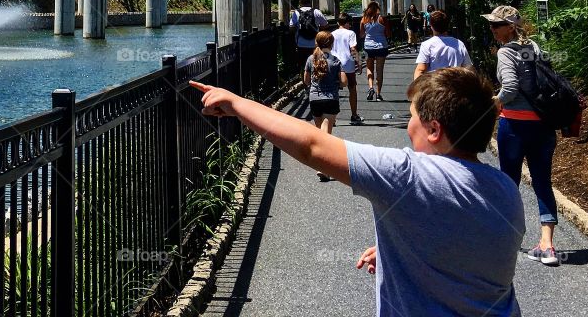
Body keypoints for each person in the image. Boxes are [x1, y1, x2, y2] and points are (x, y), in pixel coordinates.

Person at [190, 68, 524, 316]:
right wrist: (406, 246)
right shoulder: (506, 190)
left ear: (434, 129)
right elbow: (468, 240)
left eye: (412, 119)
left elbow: (311, 145)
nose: (407, 128)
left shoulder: (406, 175)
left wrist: (236, 103)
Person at [485, 4, 559, 266]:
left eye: (496, 25)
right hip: (542, 124)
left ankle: (504, 239)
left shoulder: (506, 52)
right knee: (542, 181)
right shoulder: (535, 48)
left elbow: (511, 87)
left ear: (509, 27)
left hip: (515, 125)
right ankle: (547, 246)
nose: (492, 29)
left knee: (509, 182)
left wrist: (494, 102)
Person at [303, 30, 346, 180]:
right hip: (330, 99)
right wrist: (336, 82)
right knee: (325, 136)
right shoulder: (335, 60)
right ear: (331, 44)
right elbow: (344, 82)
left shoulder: (310, 59)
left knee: (320, 133)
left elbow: (306, 81)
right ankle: (322, 168)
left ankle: (321, 165)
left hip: (314, 99)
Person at [413, 10, 472, 78]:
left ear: (431, 26)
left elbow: (421, 70)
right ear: (448, 25)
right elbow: (468, 68)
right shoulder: (459, 44)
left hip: (435, 85)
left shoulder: (427, 45)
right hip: (456, 85)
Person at [331, 12, 364, 124]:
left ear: (338, 22)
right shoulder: (350, 33)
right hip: (347, 64)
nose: (350, 26)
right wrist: (358, 62)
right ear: (347, 23)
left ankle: (333, 118)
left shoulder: (332, 34)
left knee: (334, 90)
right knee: (352, 89)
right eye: (349, 23)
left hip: (334, 64)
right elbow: (353, 49)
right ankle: (354, 115)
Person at [360, 1, 389, 101]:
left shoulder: (364, 19)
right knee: (379, 70)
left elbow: (361, 35)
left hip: (368, 47)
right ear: (377, 8)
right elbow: (388, 33)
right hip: (381, 46)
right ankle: (378, 94)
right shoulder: (382, 18)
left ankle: (370, 87)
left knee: (369, 68)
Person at [289, 0, 328, 66]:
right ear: (310, 2)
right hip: (314, 44)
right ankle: (315, 76)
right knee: (315, 64)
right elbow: (325, 25)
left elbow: (291, 27)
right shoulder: (316, 11)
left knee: (303, 65)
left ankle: (303, 75)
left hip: (300, 44)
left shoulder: (296, 13)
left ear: (300, 3)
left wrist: (298, 29)